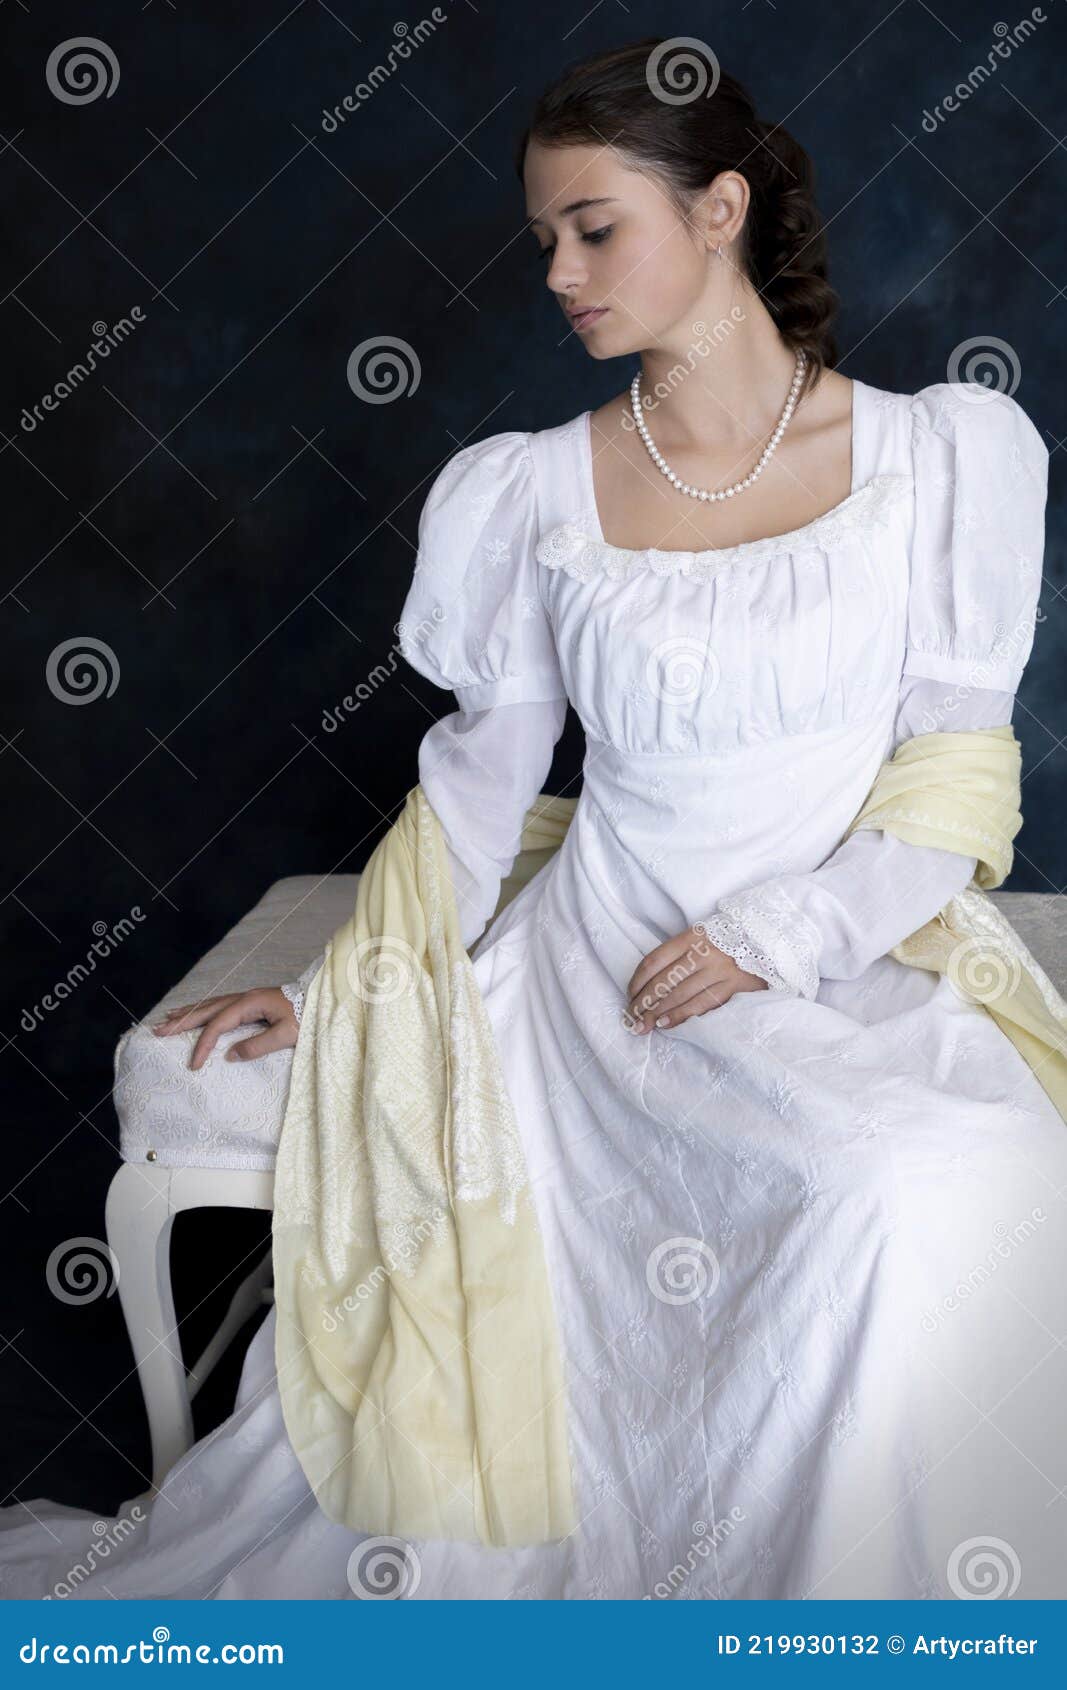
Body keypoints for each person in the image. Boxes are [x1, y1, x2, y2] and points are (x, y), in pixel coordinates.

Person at [3, 38, 1065, 1602]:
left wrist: (781, 933)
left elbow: (956, 781)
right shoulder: (532, 489)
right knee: (844, 1195)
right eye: (545, 242)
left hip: (845, 941)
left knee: (936, 1179)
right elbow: (480, 788)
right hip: (608, 977)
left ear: (718, 212)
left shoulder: (939, 457)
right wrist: (337, 986)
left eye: (595, 228)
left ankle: (861, 1602)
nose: (561, 273)